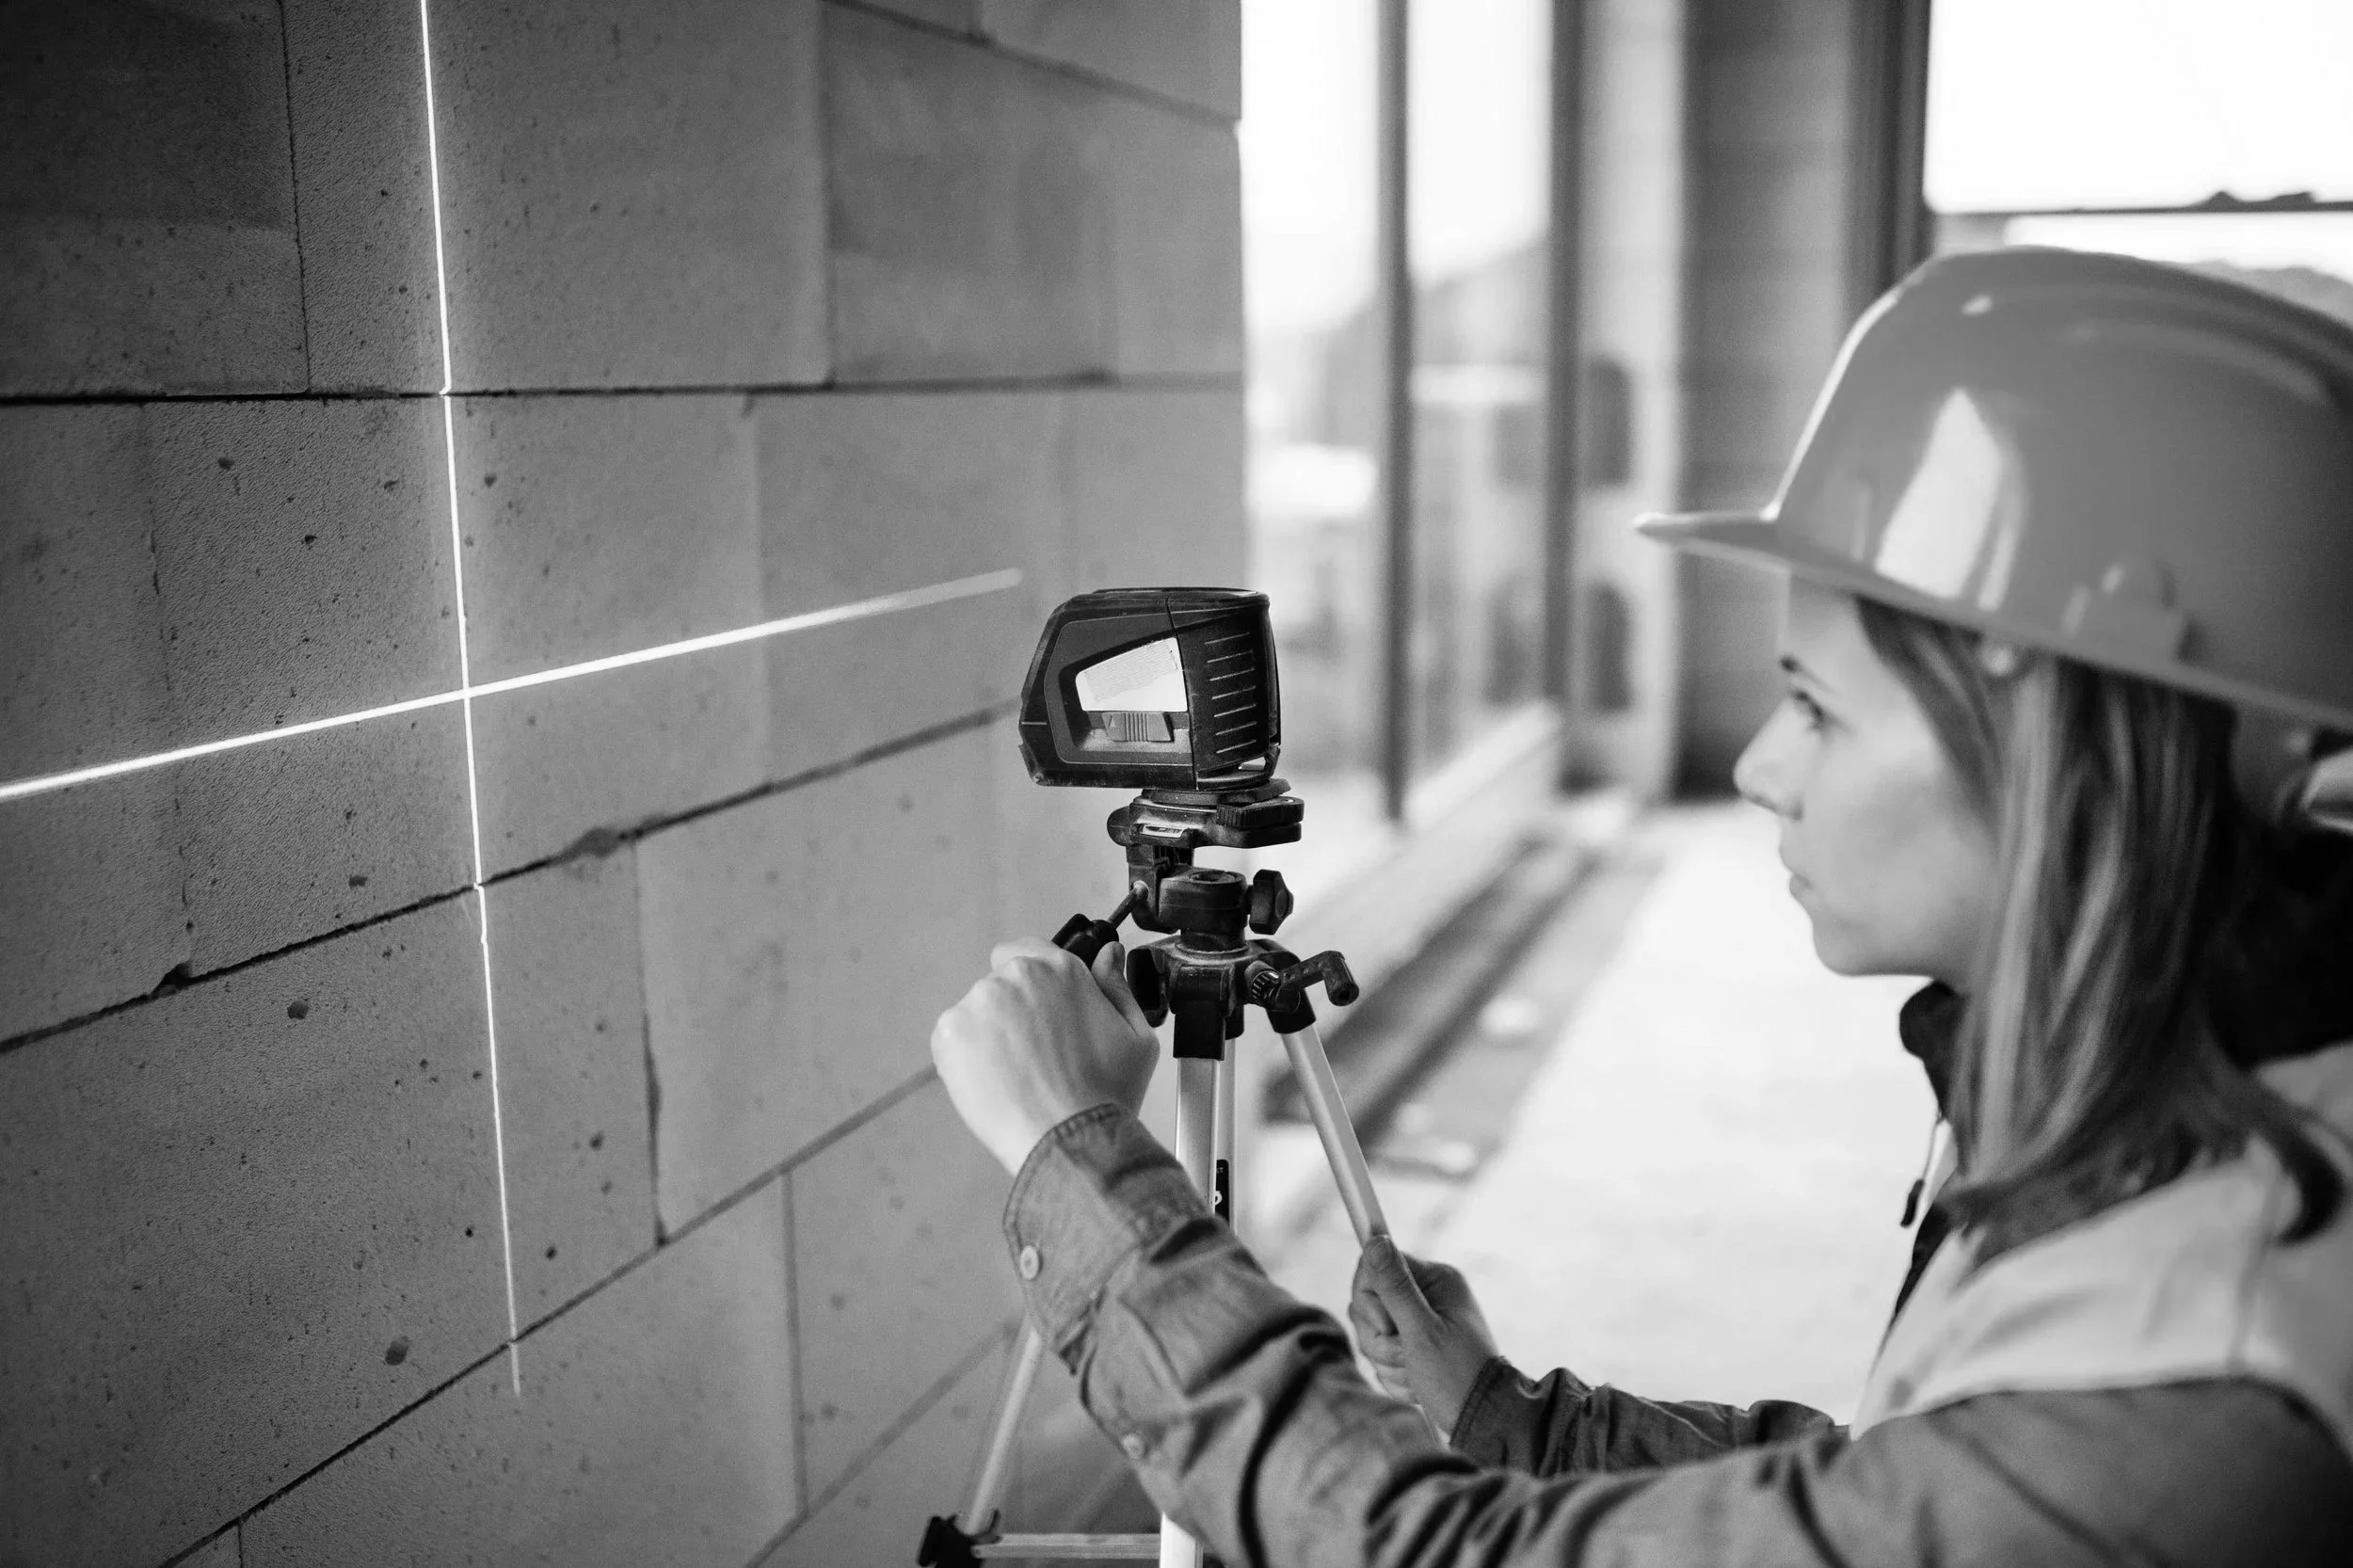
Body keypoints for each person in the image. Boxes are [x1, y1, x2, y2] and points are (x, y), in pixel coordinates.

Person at [930, 248, 2353, 1563]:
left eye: (1817, 706)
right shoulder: (2183, 1117)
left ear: (2079, 751)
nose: (1754, 767)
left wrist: (1086, 1164)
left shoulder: (2221, 1381)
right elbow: (1885, 1488)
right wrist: (1504, 1412)